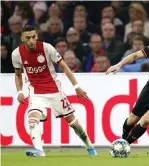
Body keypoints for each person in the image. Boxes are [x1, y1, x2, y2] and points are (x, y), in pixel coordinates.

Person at [11, 25, 97, 157]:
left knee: (72, 121)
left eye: (33, 37)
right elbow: (17, 74)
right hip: (36, 91)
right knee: (32, 118)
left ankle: (89, 146)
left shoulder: (47, 48)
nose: (31, 41)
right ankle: (39, 151)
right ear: (22, 38)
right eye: (28, 38)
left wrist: (76, 86)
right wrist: (19, 91)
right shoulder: (17, 54)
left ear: (37, 36)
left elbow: (64, 67)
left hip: (54, 90)